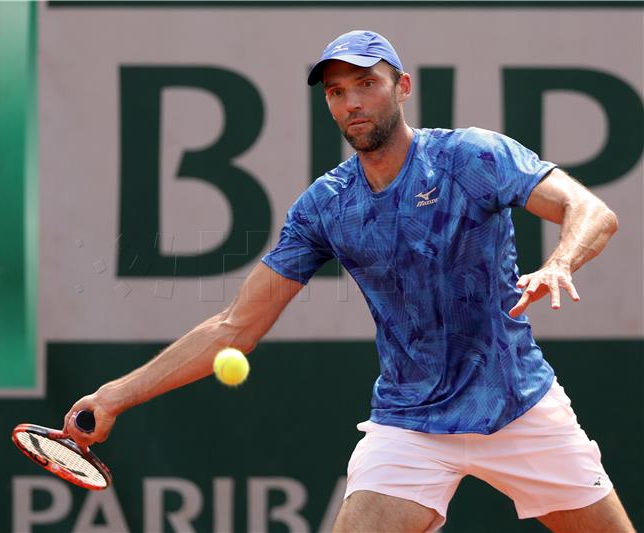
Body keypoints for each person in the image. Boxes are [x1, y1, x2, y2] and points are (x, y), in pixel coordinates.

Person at [64, 30, 635, 532]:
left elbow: (591, 212)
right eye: (337, 92)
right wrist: (115, 396)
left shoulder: (471, 156)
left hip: (519, 405)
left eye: (366, 84)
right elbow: (233, 328)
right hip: (410, 424)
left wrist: (560, 263)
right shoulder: (326, 207)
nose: (352, 102)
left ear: (402, 87)